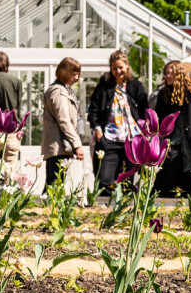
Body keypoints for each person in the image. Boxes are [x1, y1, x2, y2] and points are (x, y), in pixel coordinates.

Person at [88, 50, 148, 199]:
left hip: (131, 138)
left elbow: (144, 110)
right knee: (104, 179)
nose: (118, 71)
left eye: (121, 67)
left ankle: (125, 209)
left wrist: (144, 132)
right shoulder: (103, 87)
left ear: (127, 66)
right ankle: (106, 208)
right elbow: (93, 110)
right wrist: (97, 128)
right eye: (114, 68)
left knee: (127, 179)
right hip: (109, 137)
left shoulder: (136, 86)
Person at [154, 61, 191, 197]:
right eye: (165, 73)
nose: (167, 76)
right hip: (172, 144)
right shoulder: (164, 94)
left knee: (188, 180)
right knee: (168, 179)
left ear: (179, 73)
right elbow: (159, 120)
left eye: (170, 72)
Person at [42, 58, 85, 193]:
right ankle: (48, 212)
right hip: (57, 146)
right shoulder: (58, 92)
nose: (76, 78)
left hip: (62, 146)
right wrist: (77, 144)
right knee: (54, 185)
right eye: (73, 74)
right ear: (63, 72)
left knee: (56, 185)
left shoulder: (65, 90)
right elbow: (64, 120)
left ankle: (50, 211)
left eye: (77, 74)